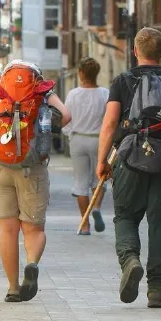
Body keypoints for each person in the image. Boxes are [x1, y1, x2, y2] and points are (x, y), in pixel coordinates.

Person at [96, 27, 161, 308]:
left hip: (130, 157)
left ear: (135, 51)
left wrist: (102, 160)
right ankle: (157, 290)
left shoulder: (122, 81)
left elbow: (110, 123)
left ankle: (130, 260)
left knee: (126, 216)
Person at [0, 60, 72, 303]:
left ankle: (12, 288)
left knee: (8, 230)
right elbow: (67, 116)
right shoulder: (43, 93)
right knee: (34, 229)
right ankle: (32, 263)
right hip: (32, 167)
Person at [63, 57, 110, 235]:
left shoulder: (73, 94)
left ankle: (85, 224)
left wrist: (69, 134)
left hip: (78, 140)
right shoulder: (105, 94)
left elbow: (66, 118)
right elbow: (110, 120)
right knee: (99, 178)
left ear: (81, 73)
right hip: (98, 140)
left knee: (80, 182)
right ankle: (96, 207)